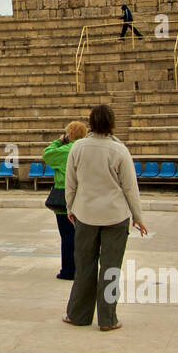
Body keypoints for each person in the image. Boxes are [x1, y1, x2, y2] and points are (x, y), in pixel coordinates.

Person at [63, 104, 147, 331]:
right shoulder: (119, 151)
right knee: (111, 269)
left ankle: (77, 315)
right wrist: (137, 216)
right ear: (111, 123)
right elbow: (130, 188)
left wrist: (71, 208)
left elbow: (71, 183)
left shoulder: (78, 147)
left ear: (90, 122)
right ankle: (108, 319)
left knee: (84, 267)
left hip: (85, 214)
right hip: (115, 217)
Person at [42, 122, 87, 280]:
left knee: (67, 236)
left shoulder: (65, 150)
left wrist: (59, 140)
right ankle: (83, 269)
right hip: (83, 197)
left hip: (64, 198)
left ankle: (69, 269)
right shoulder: (85, 149)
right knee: (81, 236)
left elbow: (47, 154)